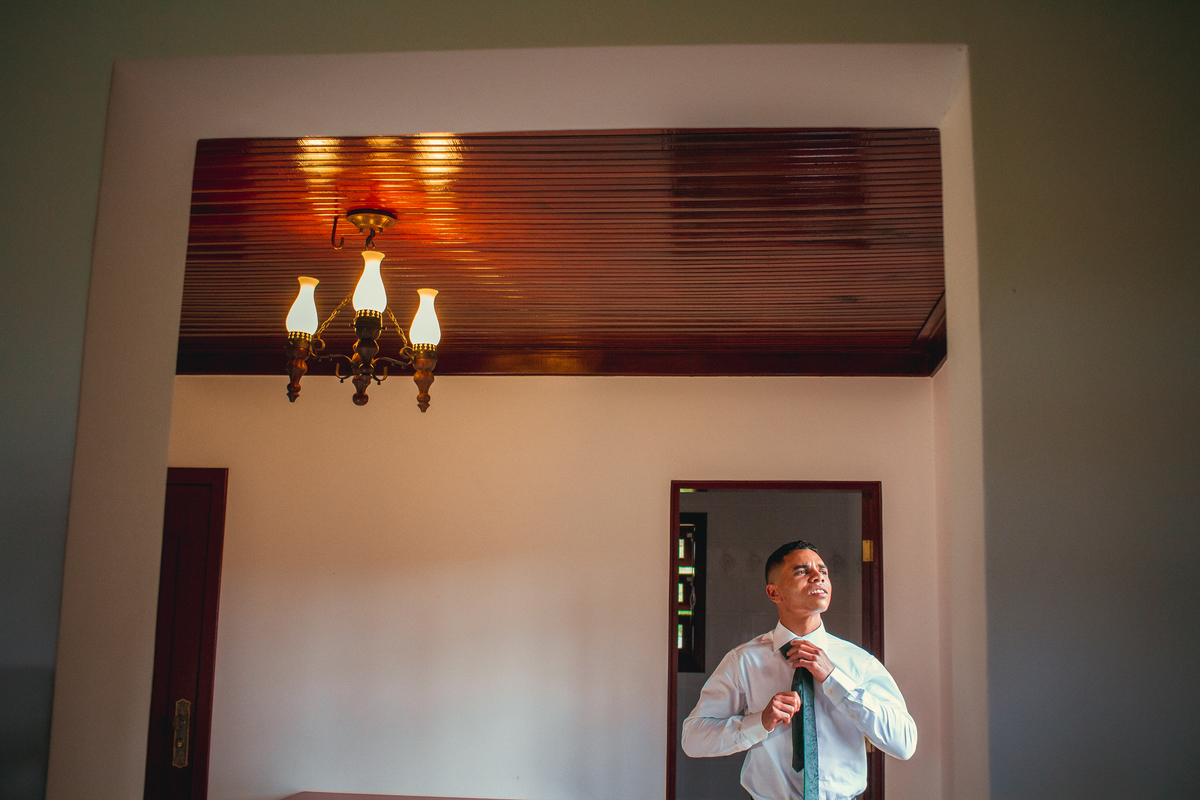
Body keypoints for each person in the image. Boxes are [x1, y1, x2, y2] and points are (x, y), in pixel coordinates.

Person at [681, 540, 917, 800]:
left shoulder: (860, 662)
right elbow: (693, 739)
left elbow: (904, 743)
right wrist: (760, 722)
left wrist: (835, 680)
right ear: (774, 593)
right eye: (802, 571)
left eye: (823, 571)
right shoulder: (744, 661)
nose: (818, 577)